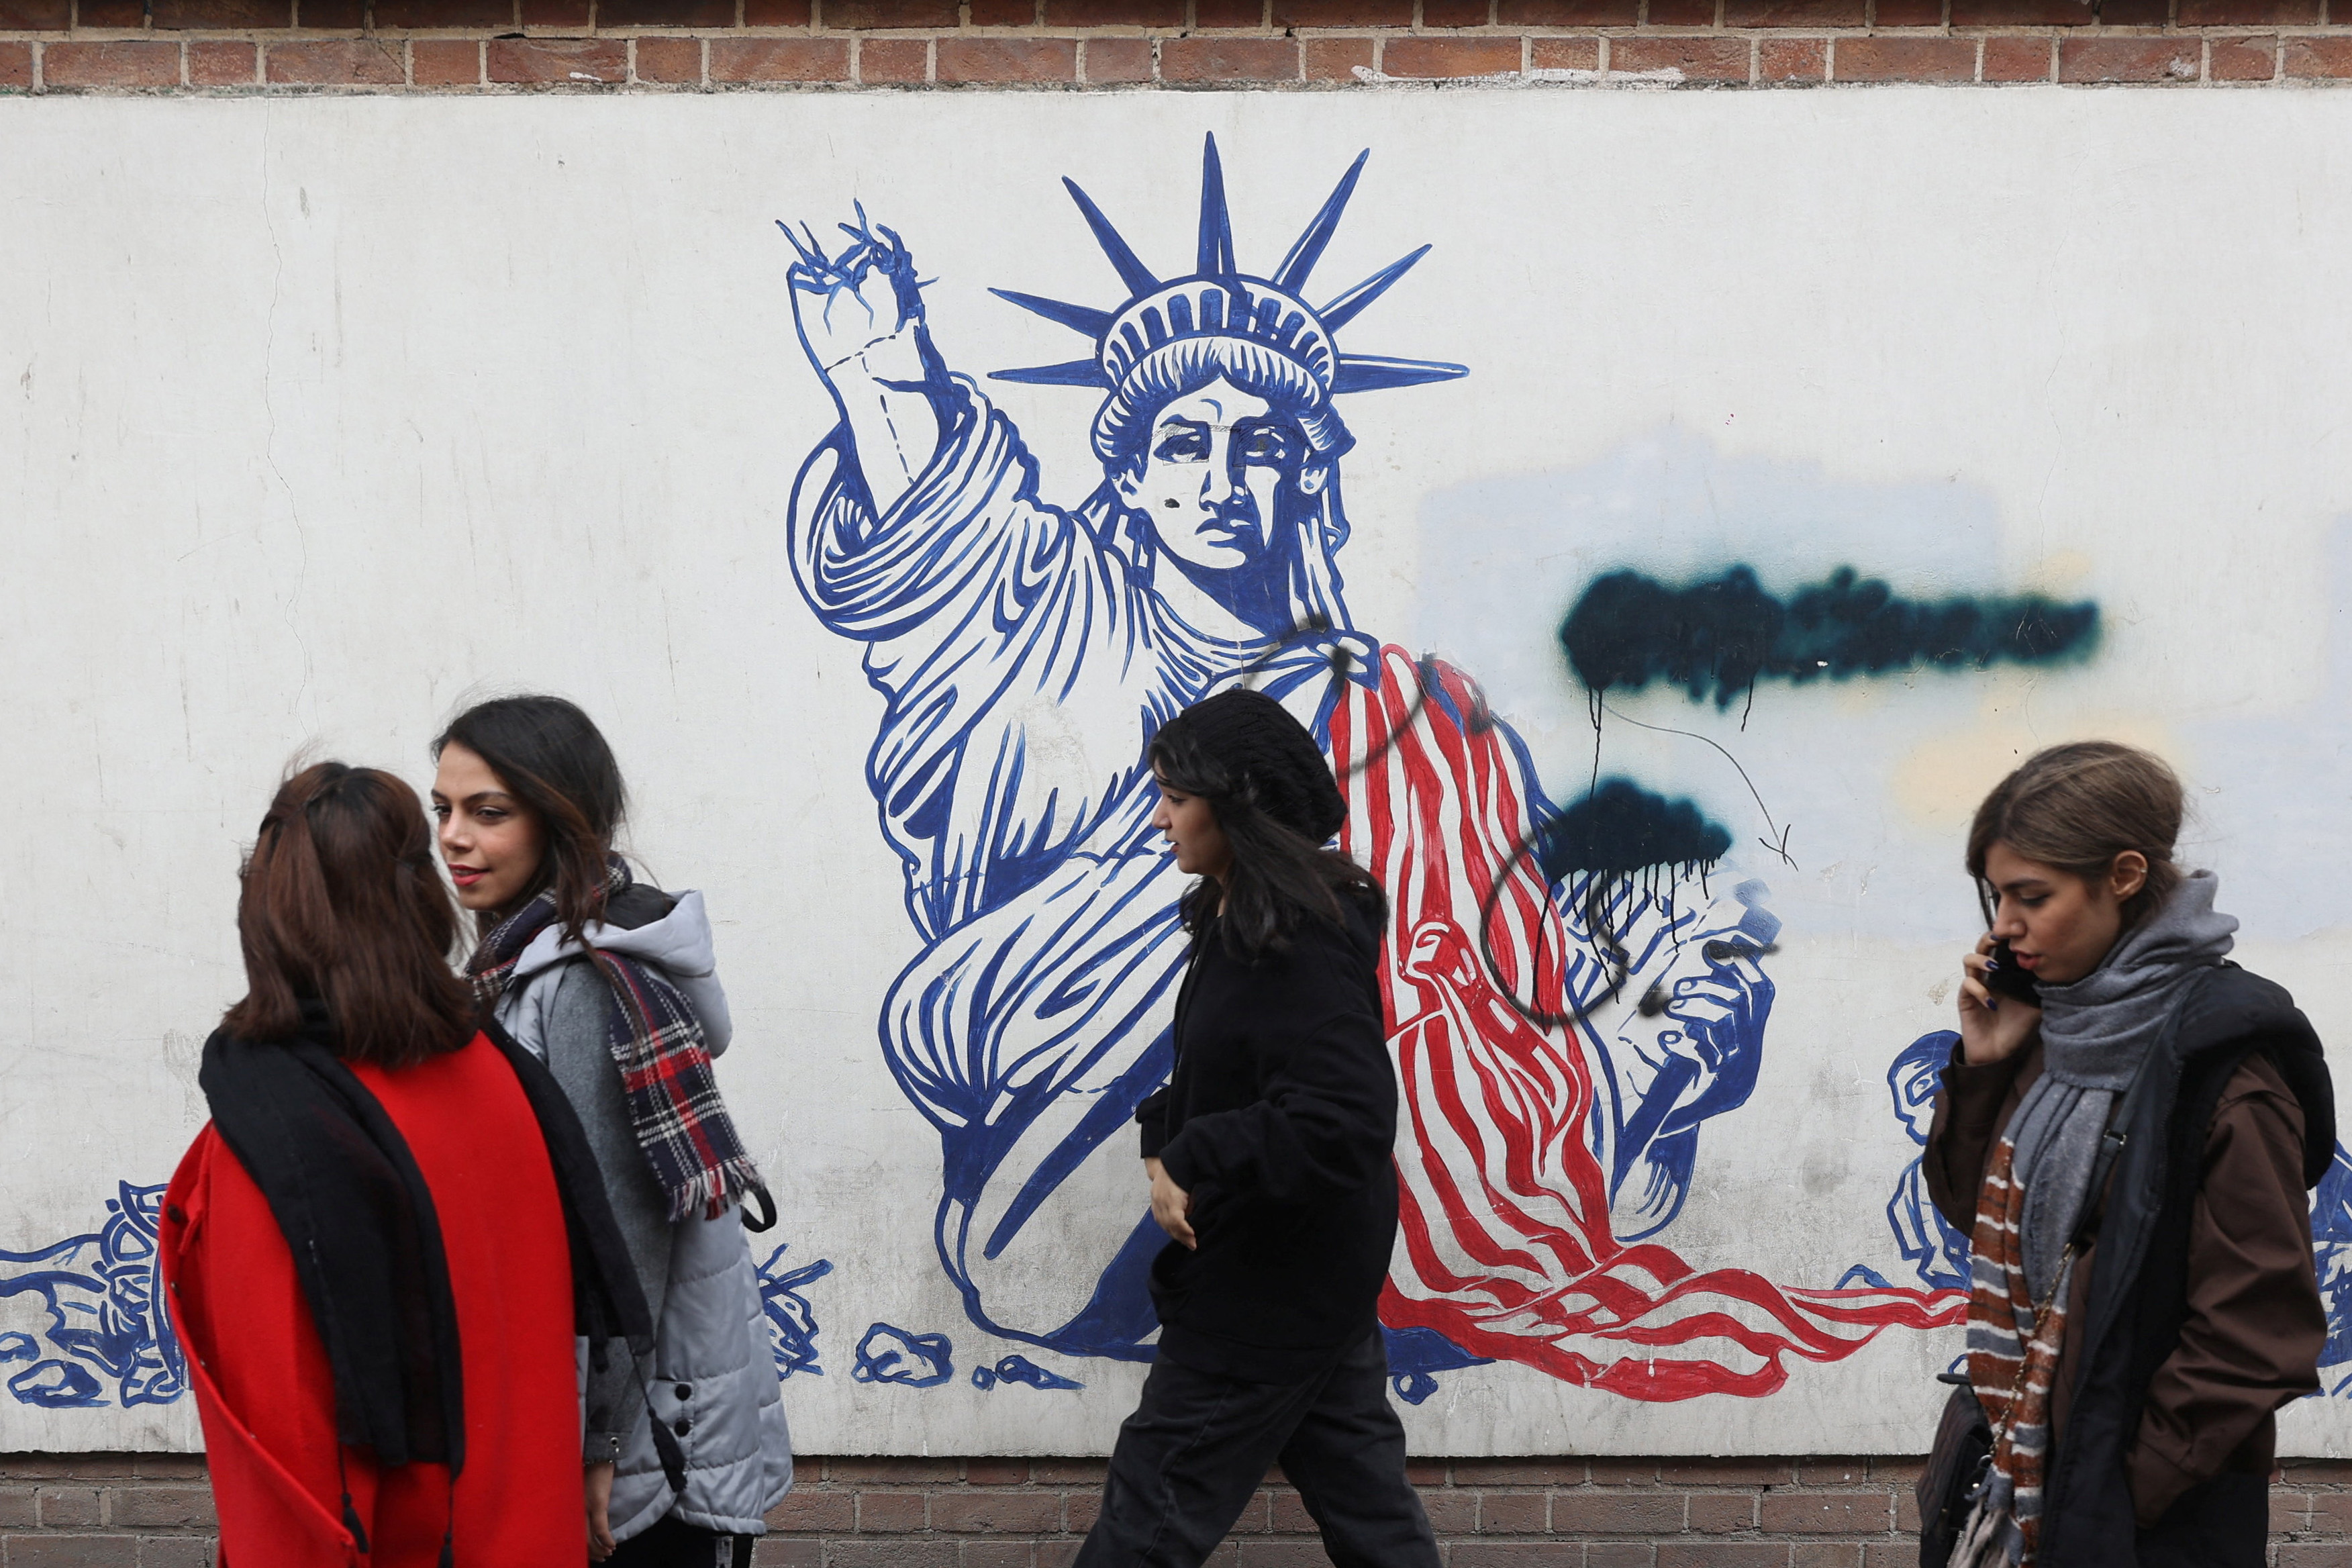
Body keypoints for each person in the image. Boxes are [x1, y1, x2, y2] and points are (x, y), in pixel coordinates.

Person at [780, 134, 1943, 1400]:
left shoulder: (1404, 708)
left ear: (1307, 477)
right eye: (1182, 443)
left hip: (1324, 1098)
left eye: (1261, 446)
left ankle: (1572, 1124)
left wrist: (1649, 978)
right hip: (1058, 1061)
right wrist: (879, 373)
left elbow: (1508, 930)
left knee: (1502, 947)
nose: (1222, 479)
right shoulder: (1052, 615)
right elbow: (931, 545)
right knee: (1032, 1263)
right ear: (1123, 472)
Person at [161, 761, 654, 1565]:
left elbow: (287, 1432)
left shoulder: (277, 1128)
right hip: (532, 1531)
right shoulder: (501, 1072)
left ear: (269, 910)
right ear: (417, 894)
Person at [1923, 742, 2333, 1567]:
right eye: (1997, 895)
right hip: (2017, 1496)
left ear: (2123, 875)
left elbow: (2259, 1332)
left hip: (2137, 1530)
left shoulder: (2225, 1070)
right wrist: (1985, 1064)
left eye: (2031, 895)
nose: (2004, 925)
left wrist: (2116, 1487)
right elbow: (1979, 1213)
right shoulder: (2053, 1029)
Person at [1075, 688, 1438, 1568]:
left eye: (1175, 797)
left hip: (1267, 1296)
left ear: (1234, 802)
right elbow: (1234, 1065)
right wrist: (1166, 1135)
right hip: (1313, 1279)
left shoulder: (1293, 939)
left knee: (1145, 1522)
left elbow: (1343, 1119)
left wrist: (1195, 1155)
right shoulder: (1242, 916)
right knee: (1375, 1525)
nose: (1159, 820)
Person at [431, 696, 790, 1566]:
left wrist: (603, 1448)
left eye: (489, 812)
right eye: (441, 808)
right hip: (626, 1407)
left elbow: (622, 1238)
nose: (452, 837)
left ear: (560, 820)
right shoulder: (519, 965)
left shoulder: (586, 985)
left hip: (645, 1440)